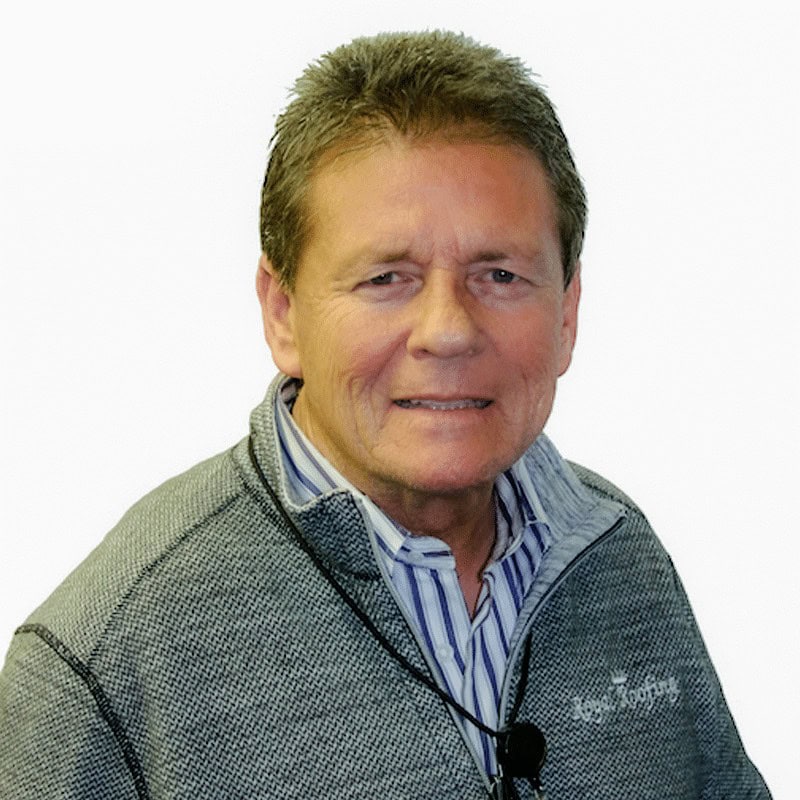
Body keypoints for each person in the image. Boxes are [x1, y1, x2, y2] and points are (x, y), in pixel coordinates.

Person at [0, 30, 770, 800]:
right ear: (283, 313)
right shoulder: (101, 665)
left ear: (568, 313)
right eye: (387, 278)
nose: (448, 330)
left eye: (499, 274)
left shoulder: (619, 554)